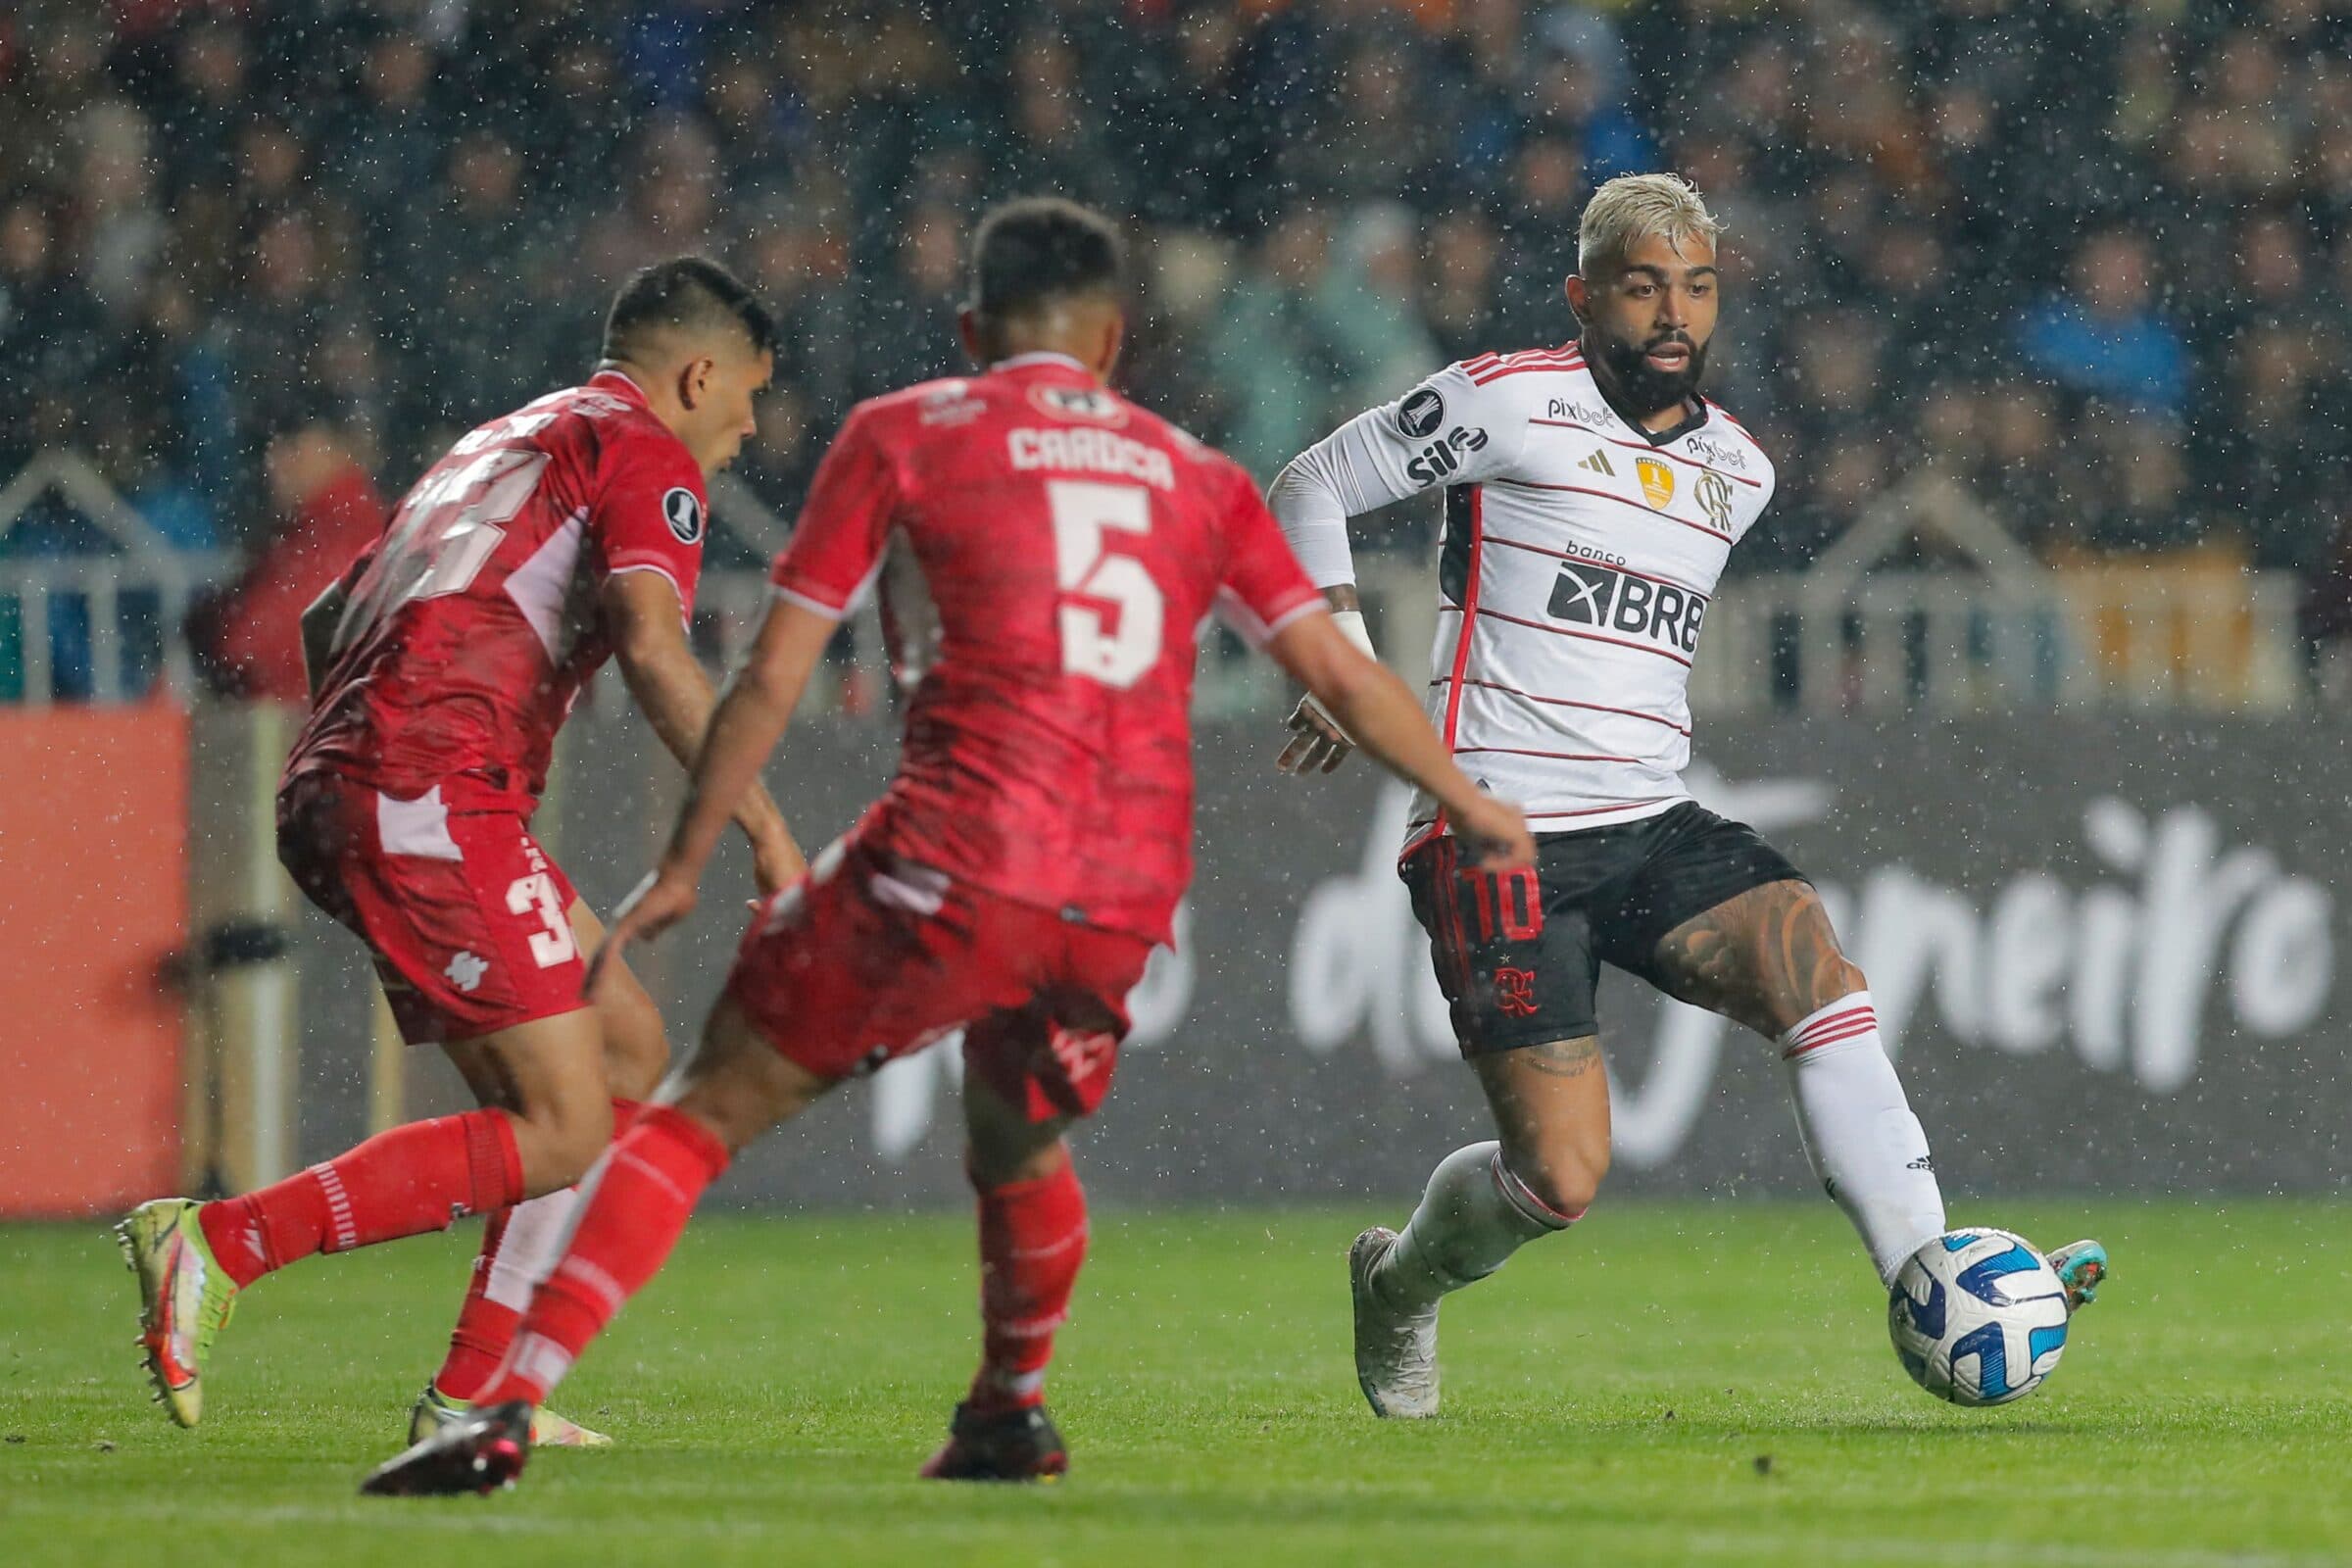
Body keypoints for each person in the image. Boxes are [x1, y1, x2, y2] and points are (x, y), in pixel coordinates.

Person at [361, 197, 1533, 1495]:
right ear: (1113, 336)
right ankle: (1009, 1410)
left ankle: (505, 1404)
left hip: (952, 857)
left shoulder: (903, 434)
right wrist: (1471, 802)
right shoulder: (1192, 476)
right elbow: (1338, 669)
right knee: (1021, 1139)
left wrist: (697, 853)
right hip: (1122, 891)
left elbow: (770, 672)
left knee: (699, 1113)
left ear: (974, 327)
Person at [1262, 173, 2110, 1419]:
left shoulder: (1739, 469)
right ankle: (1398, 1285)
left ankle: (1934, 1274)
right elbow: (1311, 483)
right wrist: (1335, 661)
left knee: (1809, 969)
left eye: (1697, 286)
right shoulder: (1510, 400)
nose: (1674, 312)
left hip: (1651, 819)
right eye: (1645, 283)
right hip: (1495, 824)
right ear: (1587, 292)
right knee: (1557, 1178)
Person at [119, 258, 805, 1448]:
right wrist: (765, 829)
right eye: (744, 396)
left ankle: (481, 1395)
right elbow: (651, 646)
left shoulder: (502, 441)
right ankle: (223, 1242)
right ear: (696, 372)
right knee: (563, 1123)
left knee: (625, 1047)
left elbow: (330, 617)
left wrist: (393, 737)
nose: (747, 428)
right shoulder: (647, 455)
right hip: (424, 782)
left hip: (381, 775)